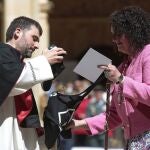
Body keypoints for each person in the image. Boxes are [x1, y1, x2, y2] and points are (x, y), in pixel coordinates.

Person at [67, 6, 150, 149]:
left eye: (119, 34)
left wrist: (121, 80)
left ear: (133, 32)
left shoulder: (147, 54)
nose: (114, 39)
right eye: (113, 35)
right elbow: (114, 115)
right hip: (132, 141)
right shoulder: (123, 66)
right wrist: (78, 124)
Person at [0, 16, 67, 150]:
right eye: (34, 38)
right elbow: (15, 80)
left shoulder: (20, 63)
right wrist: (44, 61)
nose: (37, 45)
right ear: (17, 32)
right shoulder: (2, 52)